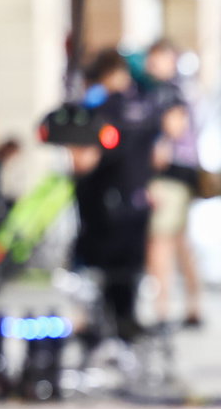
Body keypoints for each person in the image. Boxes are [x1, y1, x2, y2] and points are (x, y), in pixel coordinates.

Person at [63, 47, 166, 343]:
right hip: (134, 199)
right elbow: (158, 155)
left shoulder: (100, 109)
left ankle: (105, 325)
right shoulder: (143, 107)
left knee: (104, 270)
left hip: (106, 203)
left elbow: (85, 162)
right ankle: (124, 322)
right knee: (127, 270)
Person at [142, 40, 204, 329]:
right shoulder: (157, 91)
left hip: (170, 176)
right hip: (175, 175)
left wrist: (157, 146)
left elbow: (172, 130)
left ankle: (162, 311)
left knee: (161, 242)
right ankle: (194, 304)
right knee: (178, 242)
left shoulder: (172, 93)